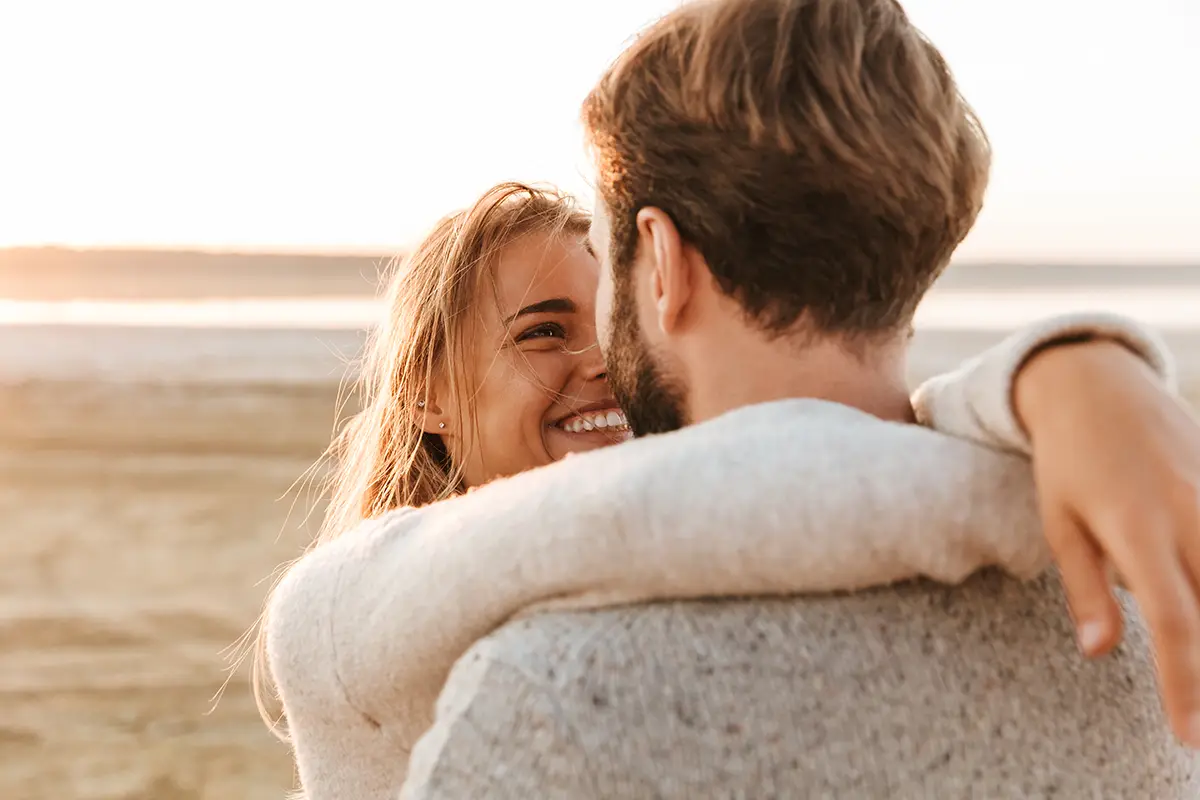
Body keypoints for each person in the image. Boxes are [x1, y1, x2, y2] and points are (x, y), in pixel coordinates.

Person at [258, 177, 1197, 799]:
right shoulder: (350, 616)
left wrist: (1063, 387)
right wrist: (1063, 391)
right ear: (425, 389)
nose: (602, 368)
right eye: (544, 332)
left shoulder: (661, 562)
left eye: (609, 325)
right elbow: (782, 472)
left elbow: (778, 465)